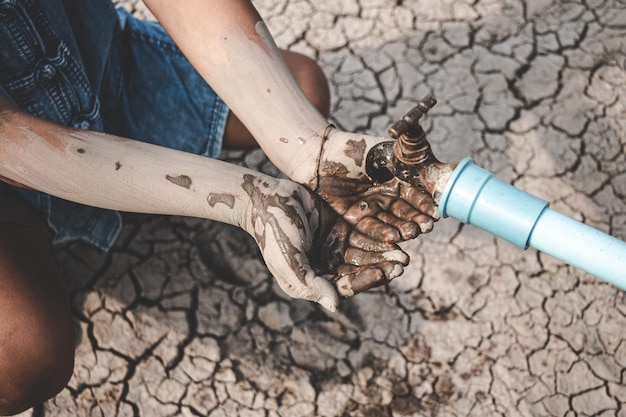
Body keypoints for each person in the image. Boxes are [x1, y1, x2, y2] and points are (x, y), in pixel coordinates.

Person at [0, 0, 438, 414]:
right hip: (12, 166)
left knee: (303, 87)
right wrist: (248, 198)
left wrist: (309, 144)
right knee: (22, 358)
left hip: (96, 69)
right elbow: (10, 141)